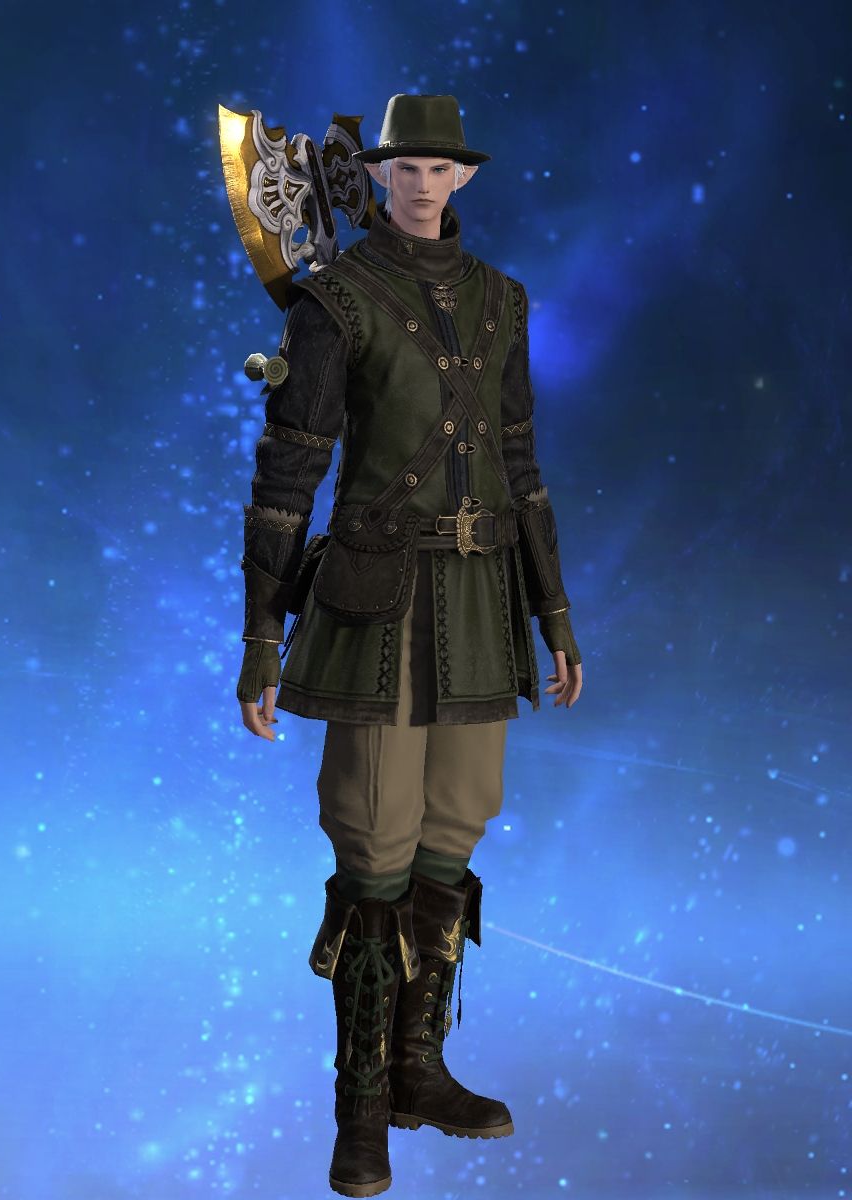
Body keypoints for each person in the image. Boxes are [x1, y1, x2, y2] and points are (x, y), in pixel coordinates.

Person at [234, 93, 583, 1198]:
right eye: (406, 167)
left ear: (462, 177)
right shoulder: (335, 300)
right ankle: (361, 1106)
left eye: (440, 168)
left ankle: (419, 1072)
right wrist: (261, 636)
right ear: (377, 174)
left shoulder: (501, 300)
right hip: (374, 603)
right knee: (373, 841)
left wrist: (554, 614)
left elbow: (521, 466)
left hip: (481, 601)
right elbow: (288, 474)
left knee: (456, 826)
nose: (423, 184)